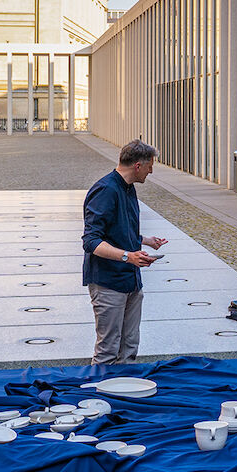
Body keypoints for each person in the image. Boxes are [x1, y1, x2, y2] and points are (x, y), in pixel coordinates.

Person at [82, 140, 167, 365]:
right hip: (108, 282)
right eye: (150, 166)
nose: (152, 171)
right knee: (108, 351)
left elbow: (117, 231)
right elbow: (91, 241)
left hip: (130, 280)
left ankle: (126, 394)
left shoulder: (128, 189)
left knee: (129, 348)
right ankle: (100, 397)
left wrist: (145, 241)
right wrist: (128, 256)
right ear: (138, 165)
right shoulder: (106, 190)